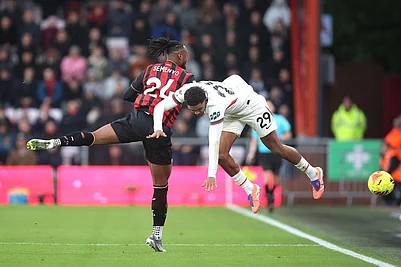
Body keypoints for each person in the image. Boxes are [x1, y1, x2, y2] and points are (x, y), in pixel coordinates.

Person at [26, 36, 194, 253]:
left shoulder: (150, 69)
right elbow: (193, 102)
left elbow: (127, 95)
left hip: (136, 120)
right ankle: (157, 235)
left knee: (94, 137)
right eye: (186, 55)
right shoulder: (187, 76)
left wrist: (146, 94)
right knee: (161, 185)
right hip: (158, 130)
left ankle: (56, 141)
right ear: (180, 56)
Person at [148, 75, 324, 212]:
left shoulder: (215, 105)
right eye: (193, 110)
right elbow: (159, 107)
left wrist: (211, 174)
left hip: (251, 106)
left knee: (276, 148)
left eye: (199, 109)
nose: (196, 113)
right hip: (233, 108)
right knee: (223, 156)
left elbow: (213, 140)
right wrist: (157, 127)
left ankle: (313, 172)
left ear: (206, 102)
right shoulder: (186, 91)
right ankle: (251, 189)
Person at [246, 100, 292, 213]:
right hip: (264, 152)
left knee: (276, 178)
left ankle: (271, 194)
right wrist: (251, 153)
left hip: (277, 151)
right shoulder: (257, 119)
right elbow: (254, 139)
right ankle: (269, 196)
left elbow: (289, 133)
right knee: (266, 176)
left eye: (269, 106)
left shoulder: (280, 120)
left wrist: (280, 139)